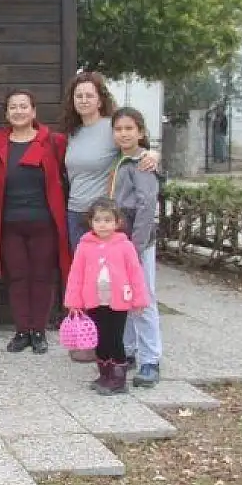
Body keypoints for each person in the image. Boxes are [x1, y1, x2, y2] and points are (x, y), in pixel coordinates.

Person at [0, 89, 71, 355]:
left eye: (24, 106)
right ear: (6, 113)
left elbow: (76, 169)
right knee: (17, 277)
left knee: (43, 277)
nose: (19, 111)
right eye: (13, 107)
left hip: (44, 223)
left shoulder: (54, 142)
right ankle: (22, 331)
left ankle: (39, 331)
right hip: (8, 224)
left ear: (34, 112)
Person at [60, 71, 158, 362]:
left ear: (101, 98)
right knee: (89, 282)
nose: (84, 100)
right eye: (79, 96)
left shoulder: (111, 129)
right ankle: (99, 343)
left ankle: (131, 351)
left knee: (118, 285)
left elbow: (136, 150)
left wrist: (154, 155)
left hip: (107, 220)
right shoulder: (73, 133)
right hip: (78, 215)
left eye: (90, 94)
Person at [63, 197, 150, 396]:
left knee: (115, 338)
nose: (103, 225)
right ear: (91, 222)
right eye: (98, 220)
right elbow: (76, 274)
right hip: (94, 301)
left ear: (117, 222)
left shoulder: (125, 246)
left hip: (118, 301)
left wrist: (139, 299)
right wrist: (74, 301)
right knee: (100, 338)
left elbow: (135, 273)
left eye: (108, 220)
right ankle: (104, 374)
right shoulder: (84, 245)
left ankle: (118, 378)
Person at [109, 107, 163, 388]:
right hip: (121, 239)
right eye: (118, 129)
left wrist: (136, 247)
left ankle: (151, 359)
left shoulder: (142, 163)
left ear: (140, 132)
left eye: (130, 128)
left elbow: (146, 206)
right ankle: (129, 350)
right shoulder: (122, 161)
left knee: (143, 298)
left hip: (137, 242)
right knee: (125, 296)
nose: (124, 133)